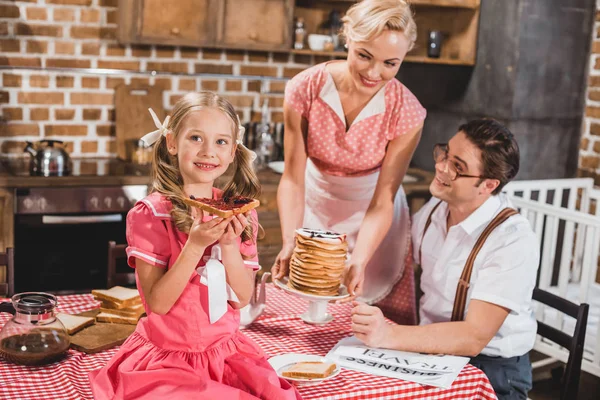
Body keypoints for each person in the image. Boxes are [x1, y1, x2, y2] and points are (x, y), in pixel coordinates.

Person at [89, 92, 301, 400]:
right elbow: (158, 304)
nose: (208, 152)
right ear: (172, 143)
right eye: (196, 138)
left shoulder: (241, 213)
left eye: (220, 142)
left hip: (226, 354)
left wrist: (228, 246)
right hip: (168, 361)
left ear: (233, 152)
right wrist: (194, 246)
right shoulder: (151, 214)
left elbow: (242, 298)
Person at [350, 119, 539, 400]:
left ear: (487, 185)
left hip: (493, 371)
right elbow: (397, 255)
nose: (441, 167)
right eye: (445, 154)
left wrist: (388, 335)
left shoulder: (512, 240)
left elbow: (474, 336)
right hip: (432, 353)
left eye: (458, 167)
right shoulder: (435, 210)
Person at [272, 0, 427, 324]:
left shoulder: (407, 111)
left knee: (368, 322)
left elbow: (384, 198)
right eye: (364, 56)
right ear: (348, 39)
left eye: (390, 63)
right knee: (308, 315)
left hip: (373, 218)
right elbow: (292, 178)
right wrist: (290, 241)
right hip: (316, 208)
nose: (374, 73)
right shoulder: (306, 88)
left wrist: (359, 259)